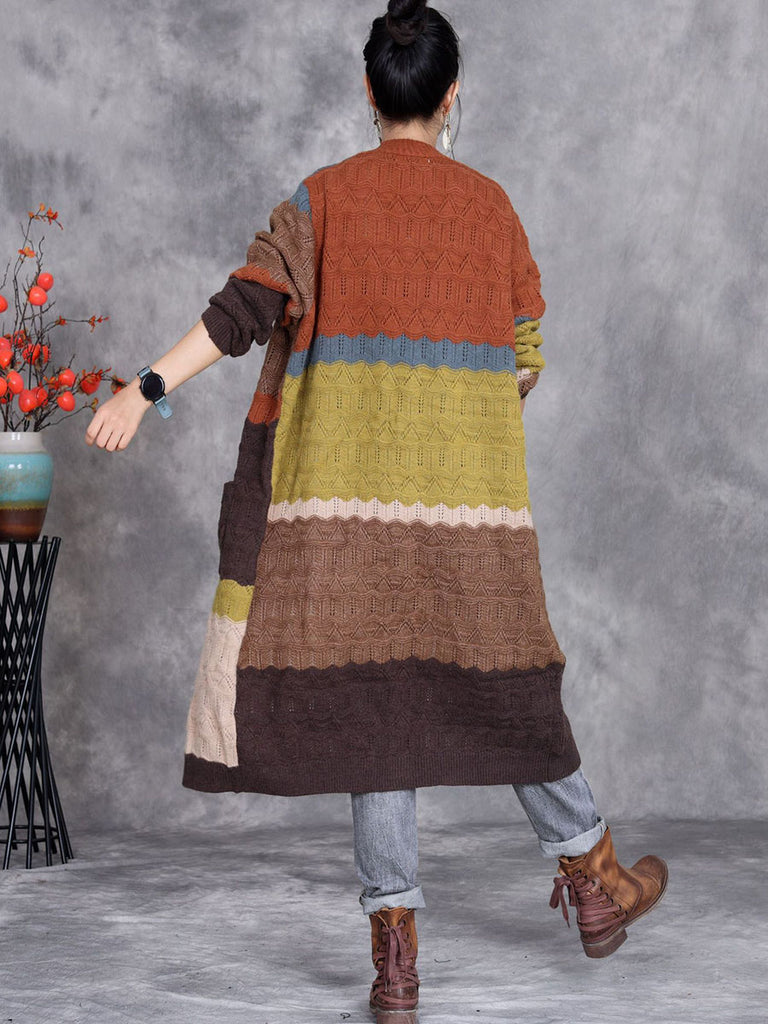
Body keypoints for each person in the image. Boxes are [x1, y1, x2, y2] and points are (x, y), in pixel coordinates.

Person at [85, 0, 668, 1015]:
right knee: (506, 687)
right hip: (469, 522)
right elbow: (525, 350)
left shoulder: (321, 201)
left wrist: (143, 389)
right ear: (451, 95)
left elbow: (241, 310)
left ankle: (395, 956)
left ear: (369, 89)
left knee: (376, 713)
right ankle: (593, 877)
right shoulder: (490, 209)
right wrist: (461, 406)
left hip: (343, 523)